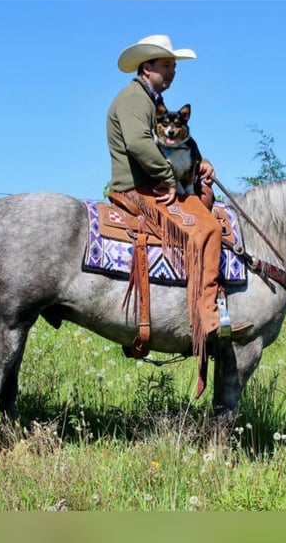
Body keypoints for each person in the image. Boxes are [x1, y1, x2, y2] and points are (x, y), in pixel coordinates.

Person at [106, 34, 251, 381]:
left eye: (173, 66)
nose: (171, 72)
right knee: (209, 228)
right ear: (147, 67)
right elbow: (140, 144)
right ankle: (208, 316)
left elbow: (172, 144)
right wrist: (170, 180)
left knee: (206, 212)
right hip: (141, 187)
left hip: (155, 181)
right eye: (166, 65)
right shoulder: (133, 99)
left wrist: (199, 164)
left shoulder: (149, 99)